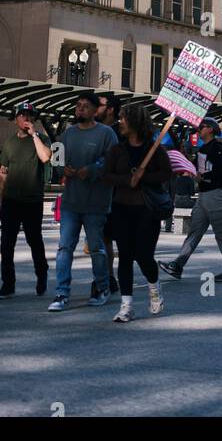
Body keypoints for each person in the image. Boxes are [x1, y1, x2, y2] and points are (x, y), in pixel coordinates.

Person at [48, 92, 117, 311]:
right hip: (71, 202)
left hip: (96, 203)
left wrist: (94, 169)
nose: (80, 110)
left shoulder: (106, 134)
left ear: (96, 111)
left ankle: (102, 286)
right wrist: (63, 169)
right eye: (78, 106)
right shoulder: (68, 134)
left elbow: (112, 161)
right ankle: (61, 293)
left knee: (96, 248)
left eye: (85, 106)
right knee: (64, 248)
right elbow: (56, 159)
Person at [103, 103, 172, 322]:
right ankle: (127, 306)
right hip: (122, 207)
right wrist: (126, 179)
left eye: (123, 118)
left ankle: (154, 287)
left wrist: (144, 176)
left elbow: (166, 174)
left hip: (147, 210)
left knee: (143, 255)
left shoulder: (155, 149)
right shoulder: (117, 150)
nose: (119, 122)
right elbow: (106, 176)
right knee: (124, 257)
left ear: (135, 121)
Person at [160, 117, 222, 283]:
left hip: (214, 194)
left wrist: (203, 177)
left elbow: (219, 173)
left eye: (202, 127)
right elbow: (194, 168)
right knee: (195, 232)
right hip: (205, 195)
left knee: (221, 232)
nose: (199, 129)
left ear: (210, 129)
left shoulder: (217, 148)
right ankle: (178, 265)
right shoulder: (204, 148)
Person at [0, 102, 52, 301]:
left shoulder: (42, 139)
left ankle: (42, 273)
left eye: (30, 115)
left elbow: (45, 157)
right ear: (16, 119)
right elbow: (3, 173)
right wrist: (2, 200)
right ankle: (8, 284)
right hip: (11, 201)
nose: (27, 119)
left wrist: (35, 134)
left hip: (32, 200)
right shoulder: (10, 142)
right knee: (6, 244)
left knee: (34, 241)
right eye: (23, 115)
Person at [93, 92, 122, 296]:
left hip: (118, 195)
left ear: (110, 109)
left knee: (115, 238)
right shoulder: (95, 131)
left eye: (100, 105)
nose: (95, 108)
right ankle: (108, 276)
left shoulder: (120, 133)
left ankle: (111, 277)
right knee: (105, 239)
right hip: (101, 194)